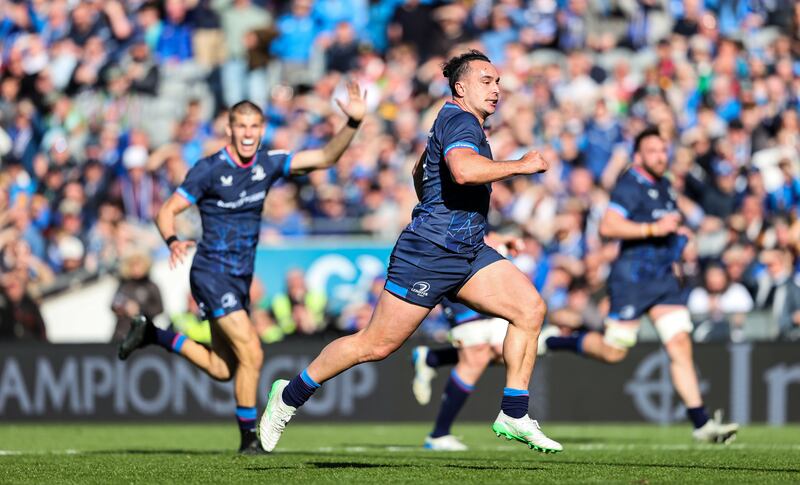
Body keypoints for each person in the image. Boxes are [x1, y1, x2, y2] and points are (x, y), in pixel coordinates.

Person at [260, 50, 562, 454]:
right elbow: (463, 171)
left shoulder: (455, 121)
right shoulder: (458, 119)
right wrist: (521, 165)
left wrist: (459, 220)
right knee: (375, 345)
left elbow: (422, 171)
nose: (496, 89)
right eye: (487, 81)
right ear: (461, 87)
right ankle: (288, 396)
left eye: (498, 82)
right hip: (430, 254)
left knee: (529, 309)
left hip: (468, 251)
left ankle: (513, 411)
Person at [117, 82, 366, 454]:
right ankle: (250, 438)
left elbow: (325, 158)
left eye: (255, 127)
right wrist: (172, 241)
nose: (248, 134)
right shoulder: (209, 169)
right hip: (210, 272)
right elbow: (166, 211)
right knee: (253, 352)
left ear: (262, 130)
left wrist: (352, 124)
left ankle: (155, 335)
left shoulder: (267, 163)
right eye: (241, 127)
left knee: (223, 368)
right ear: (230, 130)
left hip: (239, 275)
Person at [543, 127, 739, 444]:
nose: (661, 156)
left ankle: (701, 423)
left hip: (662, 278)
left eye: (663, 150)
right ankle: (556, 342)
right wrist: (652, 228)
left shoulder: (663, 185)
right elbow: (609, 224)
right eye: (653, 151)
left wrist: (681, 237)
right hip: (632, 278)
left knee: (679, 345)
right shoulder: (630, 185)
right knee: (614, 351)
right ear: (638, 156)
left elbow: (668, 225)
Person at [413, 298, 507, 451]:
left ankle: (431, 358)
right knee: (475, 357)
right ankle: (439, 434)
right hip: (459, 284)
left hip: (493, 287)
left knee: (504, 352)